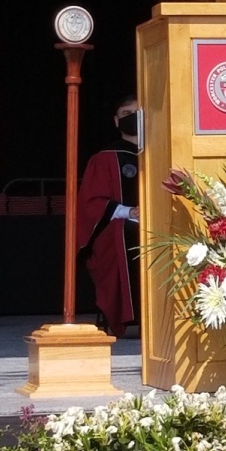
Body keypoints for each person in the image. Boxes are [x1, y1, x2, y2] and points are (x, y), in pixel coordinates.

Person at [77, 95, 140, 337]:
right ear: (116, 121)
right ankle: (129, 314)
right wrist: (130, 212)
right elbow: (92, 204)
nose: (132, 118)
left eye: (137, 112)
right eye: (126, 114)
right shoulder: (104, 158)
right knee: (124, 231)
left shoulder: (162, 154)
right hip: (117, 228)